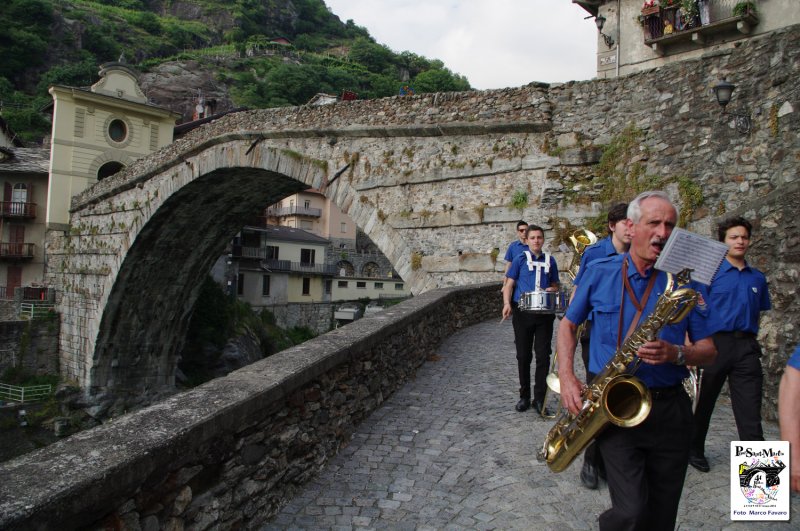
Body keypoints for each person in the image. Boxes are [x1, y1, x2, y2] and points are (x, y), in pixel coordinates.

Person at [557, 191, 719, 531]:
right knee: (631, 511)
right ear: (630, 227)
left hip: (670, 408)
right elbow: (569, 325)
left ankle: (762, 502)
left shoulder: (685, 283)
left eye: (670, 226)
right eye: (654, 223)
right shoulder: (601, 271)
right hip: (617, 407)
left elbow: (709, 349)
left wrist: (677, 353)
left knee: (661, 519)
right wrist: (568, 377)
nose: (662, 232)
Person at [689, 216, 771, 473]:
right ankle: (693, 449)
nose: (740, 241)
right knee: (705, 403)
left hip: (746, 347)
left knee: (750, 411)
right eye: (734, 237)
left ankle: (762, 493)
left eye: (744, 237)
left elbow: (760, 311)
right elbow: (695, 311)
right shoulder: (708, 276)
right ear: (723, 242)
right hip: (715, 345)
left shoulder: (757, 278)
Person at [570, 202, 631, 490]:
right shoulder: (594, 255)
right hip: (599, 335)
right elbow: (579, 297)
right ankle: (592, 460)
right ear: (612, 225)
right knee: (600, 400)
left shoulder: (649, 259)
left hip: (637, 345)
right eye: (626, 223)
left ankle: (762, 504)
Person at [502, 225, 560, 414]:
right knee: (523, 356)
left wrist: (553, 289)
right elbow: (509, 285)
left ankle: (539, 399)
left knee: (543, 356)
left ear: (543, 240)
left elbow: (555, 284)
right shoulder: (519, 260)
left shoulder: (551, 261)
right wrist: (507, 304)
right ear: (526, 241)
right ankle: (524, 396)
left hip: (544, 315)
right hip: (523, 313)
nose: (536, 240)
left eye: (539, 237)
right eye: (533, 238)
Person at [778, 344, 800, 493]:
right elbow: (794, 378)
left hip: (746, 345)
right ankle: (759, 501)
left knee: (751, 427)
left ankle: (762, 503)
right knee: (705, 404)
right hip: (721, 343)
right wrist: (794, 458)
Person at [502, 220, 529, 291]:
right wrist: (505, 283)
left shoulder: (533, 246)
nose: (524, 232)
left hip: (527, 281)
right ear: (518, 232)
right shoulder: (513, 246)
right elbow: (508, 265)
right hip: (514, 281)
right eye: (521, 230)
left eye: (526, 230)